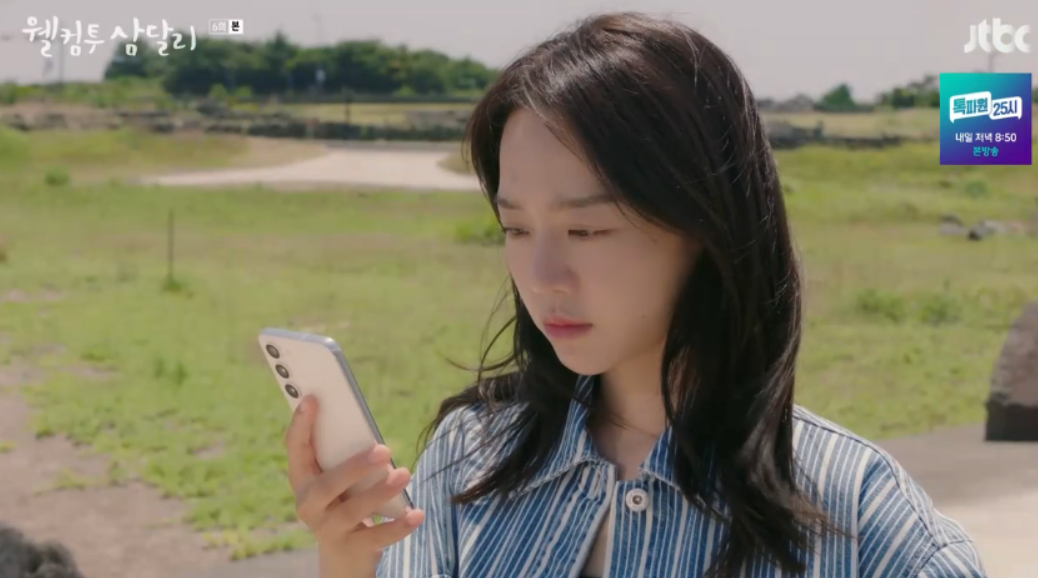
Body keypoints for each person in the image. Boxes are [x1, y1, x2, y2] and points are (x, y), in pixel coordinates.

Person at [284, 12, 989, 578]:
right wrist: (348, 562)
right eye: (515, 228)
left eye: (586, 230)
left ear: (707, 227)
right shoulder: (470, 459)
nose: (542, 275)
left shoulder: (857, 515)